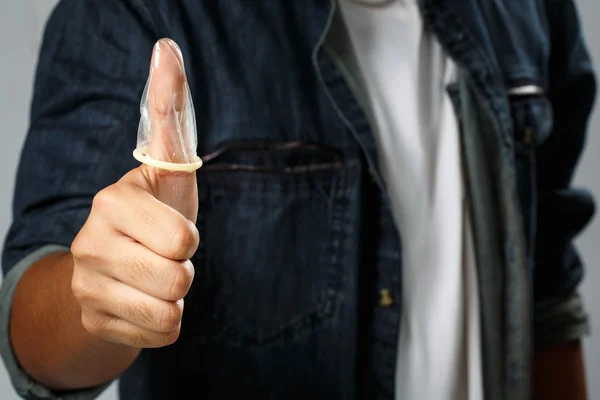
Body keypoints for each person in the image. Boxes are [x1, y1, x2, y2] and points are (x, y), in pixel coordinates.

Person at [0, 0, 595, 399]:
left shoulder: (532, 11)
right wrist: (101, 298)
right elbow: (30, 331)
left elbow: (546, 297)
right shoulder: (136, 10)